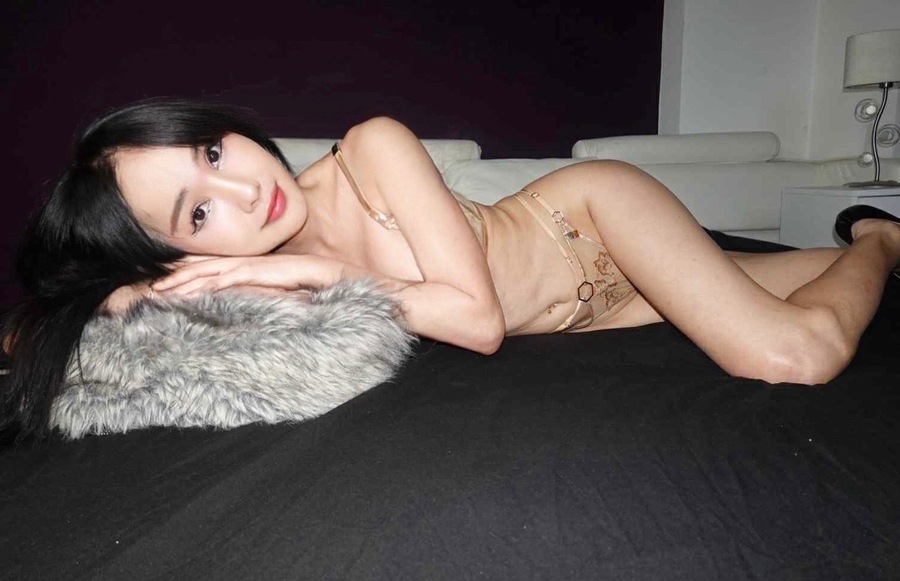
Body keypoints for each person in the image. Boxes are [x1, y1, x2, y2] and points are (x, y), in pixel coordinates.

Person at [2, 99, 899, 441]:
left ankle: (878, 238)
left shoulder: (370, 148)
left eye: (209, 149)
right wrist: (121, 294)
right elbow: (71, 317)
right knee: (791, 272)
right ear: (181, 254)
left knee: (792, 353)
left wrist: (311, 273)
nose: (243, 187)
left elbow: (476, 321)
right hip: (597, 312)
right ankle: (862, 248)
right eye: (198, 213)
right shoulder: (232, 279)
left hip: (591, 223)